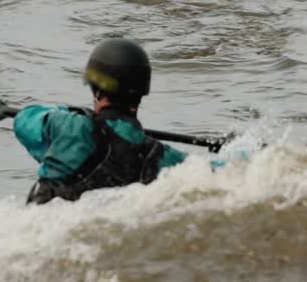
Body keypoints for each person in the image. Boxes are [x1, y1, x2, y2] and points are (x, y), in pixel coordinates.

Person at [12, 38, 188, 204]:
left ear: (96, 90)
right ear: (142, 92)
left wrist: (70, 112)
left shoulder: (71, 126)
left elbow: (24, 120)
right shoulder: (160, 155)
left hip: (45, 225)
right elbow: (206, 172)